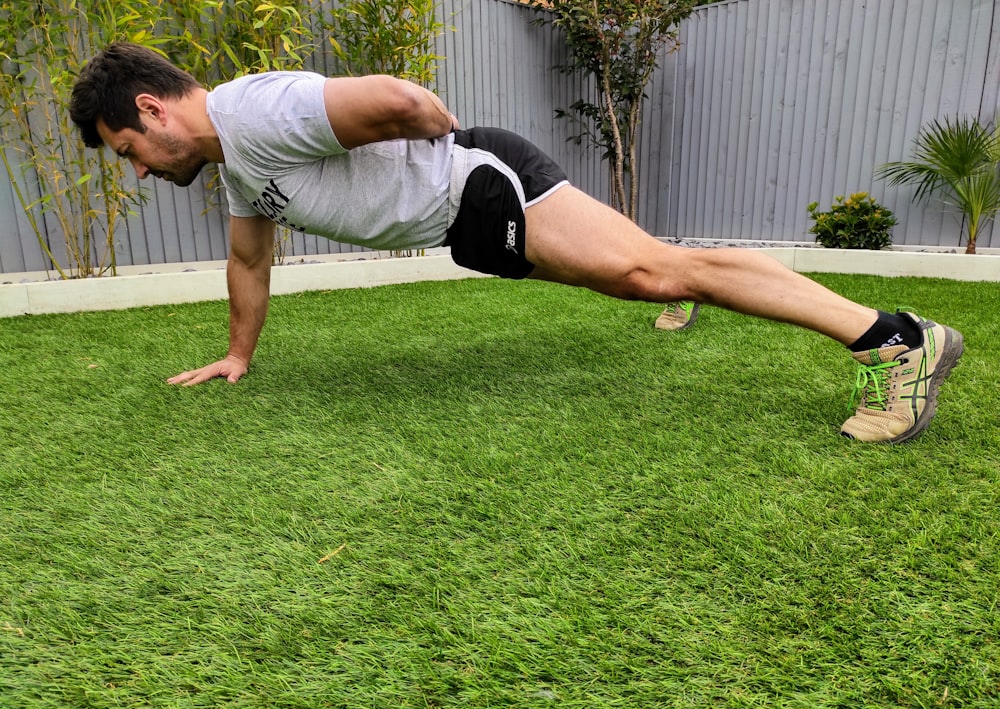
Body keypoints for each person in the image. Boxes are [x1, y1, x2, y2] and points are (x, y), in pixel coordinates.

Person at [69, 42, 963, 444]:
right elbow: (248, 258)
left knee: (651, 270)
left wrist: (436, 133)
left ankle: (896, 340)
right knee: (646, 273)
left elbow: (398, 98)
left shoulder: (252, 111)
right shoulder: (235, 161)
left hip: (477, 181)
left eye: (129, 152)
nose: (139, 172)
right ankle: (679, 279)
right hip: (467, 221)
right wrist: (237, 354)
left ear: (149, 108)